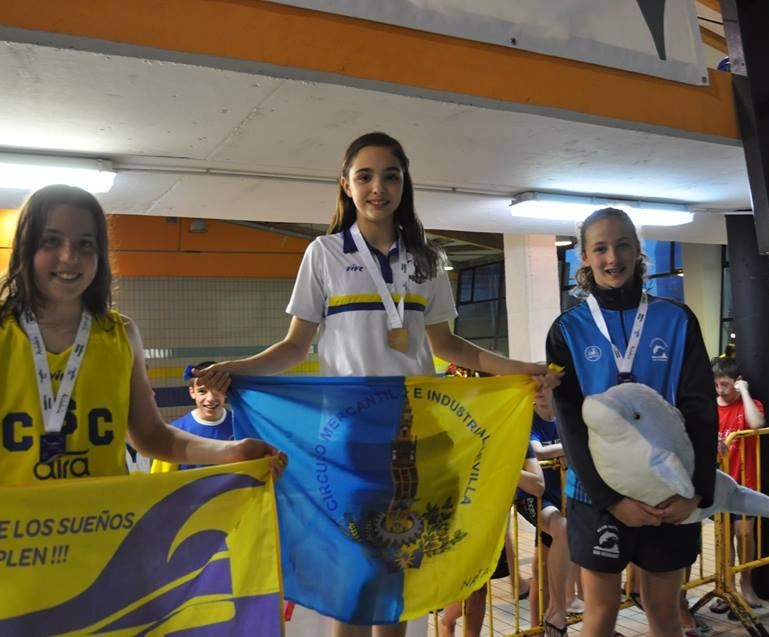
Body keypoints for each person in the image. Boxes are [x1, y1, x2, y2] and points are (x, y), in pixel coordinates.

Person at [199, 132, 561, 637]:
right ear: (345, 185)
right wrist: (237, 368)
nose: (378, 187)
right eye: (365, 176)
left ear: (403, 184)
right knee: (353, 576)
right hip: (350, 438)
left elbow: (450, 346)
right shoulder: (324, 254)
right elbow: (295, 346)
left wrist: (519, 368)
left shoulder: (426, 259)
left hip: (416, 432)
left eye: (391, 176)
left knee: (398, 570)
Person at [0, 184, 282, 499]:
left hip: (97, 541)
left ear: (100, 256)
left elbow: (151, 436)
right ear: (26, 248)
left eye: (85, 244)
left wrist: (230, 452)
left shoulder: (120, 335)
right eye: (51, 241)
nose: (69, 257)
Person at [546, 207, 718, 637]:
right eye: (600, 248)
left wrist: (697, 491)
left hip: (668, 491)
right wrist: (609, 499)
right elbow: (571, 424)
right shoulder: (568, 329)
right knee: (600, 614)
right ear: (585, 256)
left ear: (638, 250)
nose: (613, 258)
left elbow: (700, 409)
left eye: (622, 245)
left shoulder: (676, 319)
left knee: (664, 611)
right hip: (595, 497)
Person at [439, 444, 545, 637]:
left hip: (491, 524)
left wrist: (503, 465)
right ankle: (446, 624)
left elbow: (538, 486)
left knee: (479, 592)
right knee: (465, 599)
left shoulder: (516, 438)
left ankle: (449, 623)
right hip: (462, 521)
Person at [522, 387, 579, 636]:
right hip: (535, 497)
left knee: (541, 570)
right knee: (561, 531)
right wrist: (566, 448)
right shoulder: (528, 419)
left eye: (542, 385)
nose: (536, 391)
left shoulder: (565, 415)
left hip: (560, 498)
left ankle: (540, 628)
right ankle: (556, 610)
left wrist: (565, 449)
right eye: (532, 386)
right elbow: (537, 451)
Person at [710, 356, 765, 612]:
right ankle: (727, 587)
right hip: (719, 484)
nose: (721, 390)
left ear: (737, 381)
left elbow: (757, 424)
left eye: (725, 384)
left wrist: (744, 393)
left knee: (744, 533)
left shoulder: (749, 404)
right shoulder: (710, 407)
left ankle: (746, 582)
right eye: (716, 385)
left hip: (745, 481)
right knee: (724, 538)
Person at [150, 361, 235, 473]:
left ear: (226, 391)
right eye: (202, 391)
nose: (210, 399)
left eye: (217, 390)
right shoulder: (173, 434)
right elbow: (160, 479)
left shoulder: (242, 426)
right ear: (192, 392)